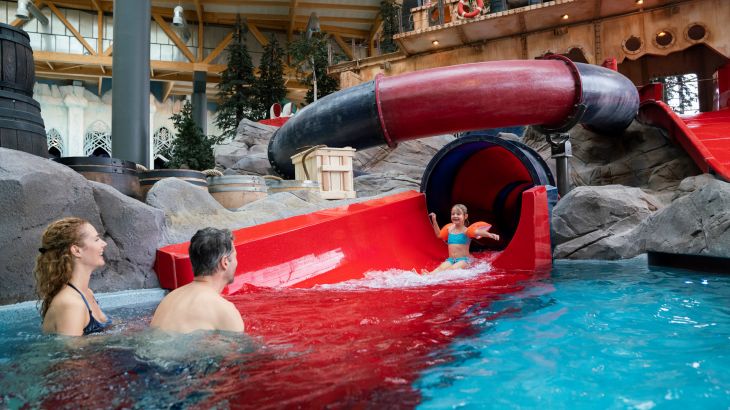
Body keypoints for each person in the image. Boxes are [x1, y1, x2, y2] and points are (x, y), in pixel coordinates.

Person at [151, 227, 245, 333]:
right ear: (225, 262)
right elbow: (239, 348)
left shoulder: (169, 299)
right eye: (236, 257)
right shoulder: (224, 310)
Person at [35, 217, 111, 336]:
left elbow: (108, 329)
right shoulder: (71, 304)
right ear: (76, 250)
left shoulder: (86, 293)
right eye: (96, 239)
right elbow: (73, 353)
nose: (104, 243)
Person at [427, 204, 500, 273]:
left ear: (465, 216)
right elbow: (439, 235)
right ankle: (427, 277)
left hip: (464, 260)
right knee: (439, 269)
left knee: (450, 271)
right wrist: (434, 220)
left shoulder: (466, 231)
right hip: (451, 260)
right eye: (453, 214)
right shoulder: (449, 229)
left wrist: (490, 235)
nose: (455, 216)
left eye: (458, 214)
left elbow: (478, 232)